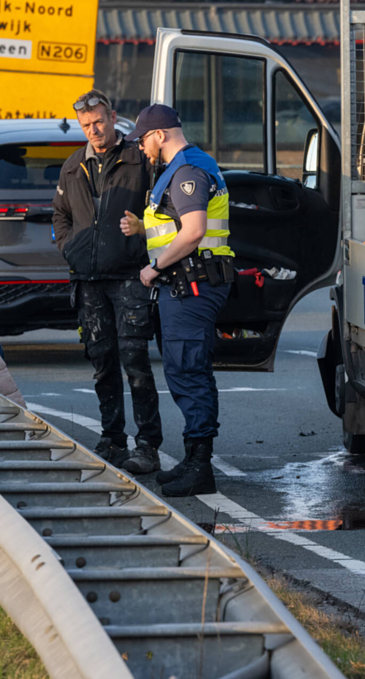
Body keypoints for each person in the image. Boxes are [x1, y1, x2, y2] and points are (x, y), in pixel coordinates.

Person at [120, 105, 234, 497]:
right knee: (188, 369)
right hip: (189, 282)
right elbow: (173, 226)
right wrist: (144, 229)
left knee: (188, 370)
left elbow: (194, 231)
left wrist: (154, 267)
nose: (141, 147)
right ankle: (193, 459)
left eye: (143, 140)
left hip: (192, 283)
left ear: (160, 134)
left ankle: (199, 466)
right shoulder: (187, 165)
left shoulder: (186, 171)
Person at [51, 90, 163, 473]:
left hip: (130, 276)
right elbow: (60, 215)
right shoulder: (72, 167)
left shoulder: (140, 160)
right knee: (102, 362)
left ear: (113, 117)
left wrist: (143, 239)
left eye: (99, 121)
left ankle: (147, 445)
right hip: (88, 280)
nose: (94, 130)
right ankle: (112, 439)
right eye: (86, 125)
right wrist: (71, 249)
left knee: (135, 362)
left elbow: (162, 211)